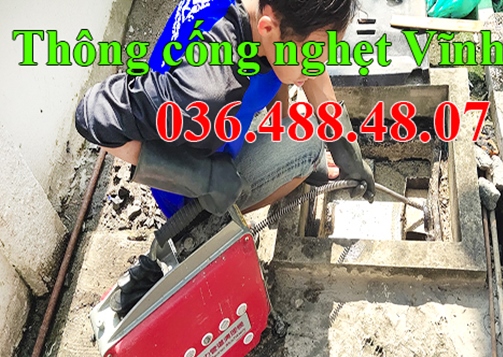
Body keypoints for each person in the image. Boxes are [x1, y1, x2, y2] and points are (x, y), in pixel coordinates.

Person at [75, 0, 375, 316]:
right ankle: (201, 231)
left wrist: (345, 145)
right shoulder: (207, 88)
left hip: (215, 128)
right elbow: (93, 114)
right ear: (268, 28)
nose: (316, 67)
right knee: (308, 144)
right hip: (193, 186)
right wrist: (202, 176)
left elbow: (301, 47)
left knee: (294, 110)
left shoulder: (269, 16)